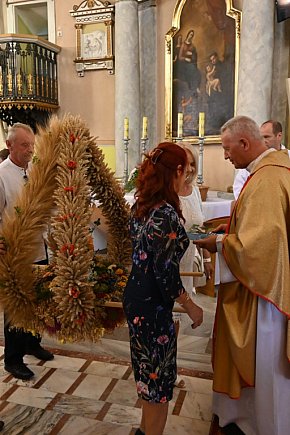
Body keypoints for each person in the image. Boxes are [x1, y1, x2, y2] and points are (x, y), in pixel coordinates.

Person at [195, 116, 290, 435]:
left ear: (245, 144)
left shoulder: (265, 180)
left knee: (265, 364)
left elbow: (261, 245)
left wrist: (220, 242)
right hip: (268, 279)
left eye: (226, 148)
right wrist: (232, 229)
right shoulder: (275, 170)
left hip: (264, 292)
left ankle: (260, 422)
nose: (224, 155)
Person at [123, 142, 203, 435]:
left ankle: (144, 431)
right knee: (158, 384)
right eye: (187, 170)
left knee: (148, 375)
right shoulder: (166, 214)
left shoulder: (142, 204)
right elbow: (166, 275)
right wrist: (191, 305)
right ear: (177, 171)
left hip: (137, 300)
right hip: (154, 307)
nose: (189, 176)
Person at [0, 123, 54, 381]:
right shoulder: (1, 175)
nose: (30, 150)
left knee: (38, 300)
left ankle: (33, 344)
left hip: (38, 247)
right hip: (14, 252)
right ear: (10, 145)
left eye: (32, 144)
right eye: (24, 145)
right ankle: (13, 359)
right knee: (16, 306)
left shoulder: (35, 170)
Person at [233, 119, 290, 198]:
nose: (263, 141)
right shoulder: (252, 160)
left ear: (279, 136)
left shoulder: (288, 157)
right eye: (261, 137)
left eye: (267, 137)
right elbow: (239, 187)